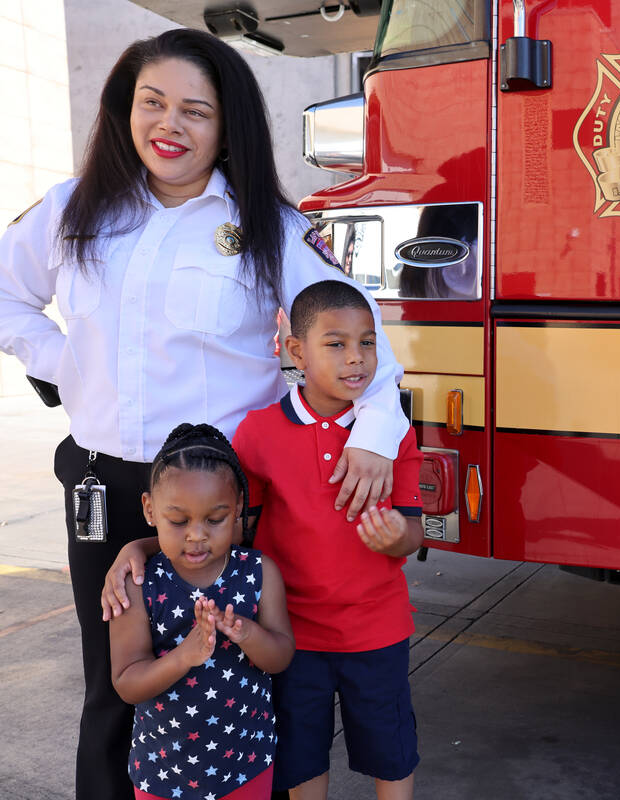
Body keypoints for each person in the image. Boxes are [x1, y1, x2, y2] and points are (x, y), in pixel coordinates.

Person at [0, 29, 407, 800]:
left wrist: (378, 438)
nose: (170, 125)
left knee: (233, 683)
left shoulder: (268, 228)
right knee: (117, 683)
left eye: (196, 111)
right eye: (152, 103)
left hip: (222, 504)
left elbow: (365, 338)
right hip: (108, 485)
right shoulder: (72, 210)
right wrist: (68, 367)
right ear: (126, 109)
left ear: (227, 129)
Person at [107, 281, 425, 798]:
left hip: (377, 629)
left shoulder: (390, 433)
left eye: (368, 343)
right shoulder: (258, 433)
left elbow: (411, 529)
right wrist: (139, 547)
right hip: (292, 633)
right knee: (301, 754)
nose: (357, 358)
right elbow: (220, 523)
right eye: (336, 343)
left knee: (390, 750)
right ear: (296, 351)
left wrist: (395, 538)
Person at [108, 423, 295, 800]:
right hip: (163, 772)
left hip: (246, 763)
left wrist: (248, 634)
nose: (197, 535)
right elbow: (127, 682)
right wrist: (184, 657)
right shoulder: (139, 583)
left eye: (215, 519)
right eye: (178, 521)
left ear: (238, 508)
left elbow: (281, 657)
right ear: (150, 509)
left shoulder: (259, 572)